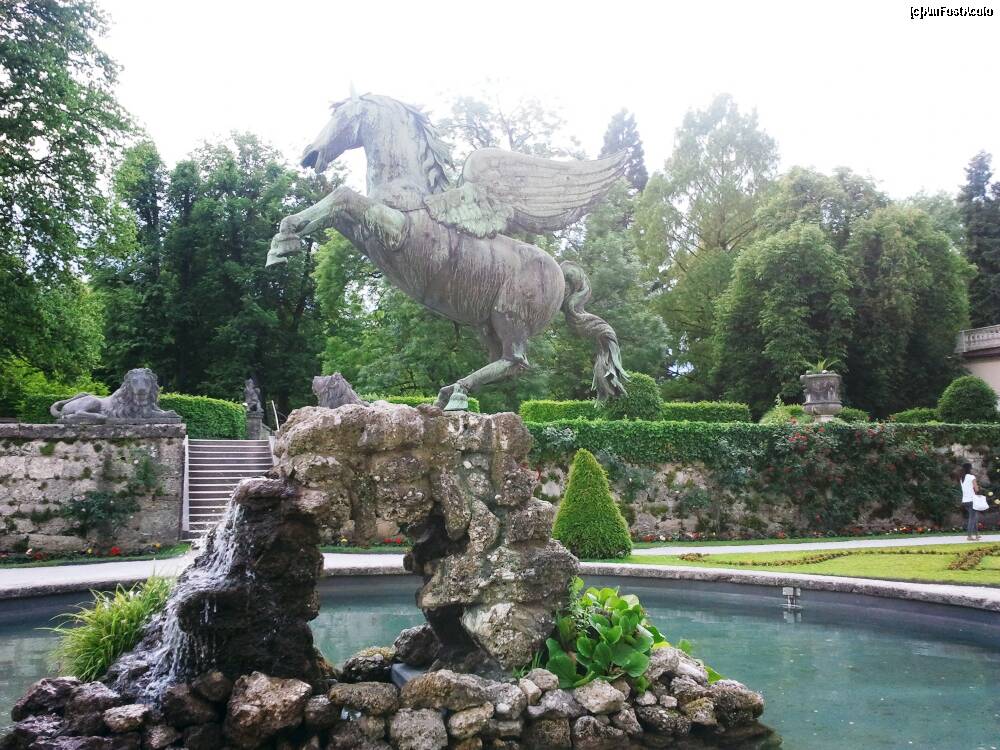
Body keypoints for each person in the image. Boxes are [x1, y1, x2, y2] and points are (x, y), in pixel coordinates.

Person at [960, 462, 988, 541]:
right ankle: (969, 536)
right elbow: (976, 489)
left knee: (975, 517)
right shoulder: (971, 477)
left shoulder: (962, 478)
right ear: (970, 469)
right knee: (972, 518)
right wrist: (978, 488)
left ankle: (976, 535)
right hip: (971, 500)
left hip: (965, 501)